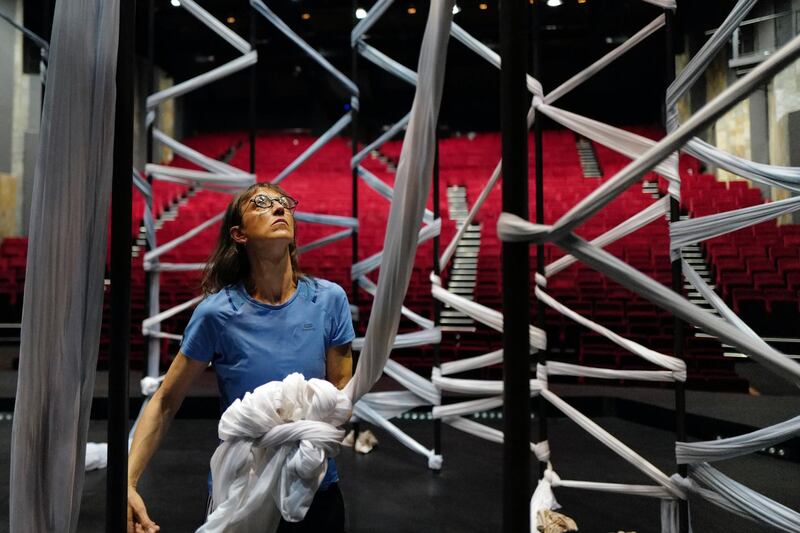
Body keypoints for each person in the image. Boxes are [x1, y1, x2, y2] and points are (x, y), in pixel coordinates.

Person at [127, 183, 355, 533]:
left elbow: (341, 391)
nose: (279, 208)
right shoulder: (216, 313)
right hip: (241, 489)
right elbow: (164, 400)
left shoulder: (330, 300)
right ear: (239, 234)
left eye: (284, 203)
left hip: (314, 487)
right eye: (262, 203)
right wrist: (127, 483)